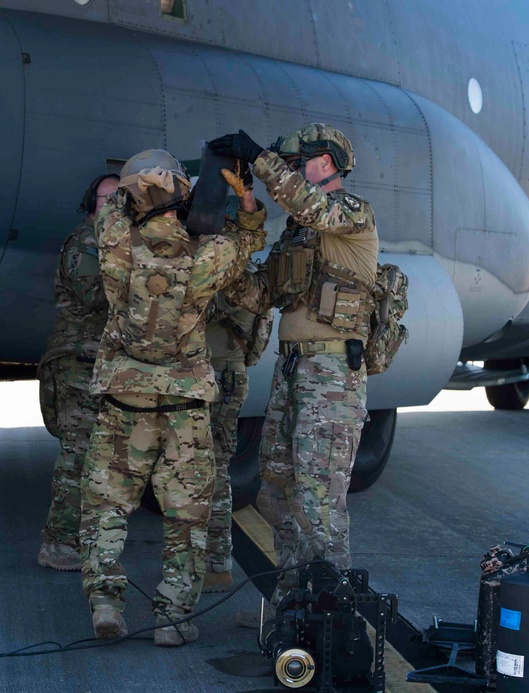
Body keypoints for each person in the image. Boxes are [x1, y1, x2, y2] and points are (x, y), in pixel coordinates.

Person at [79, 149, 266, 646]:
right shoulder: (207, 256)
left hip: (125, 398)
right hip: (184, 405)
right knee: (186, 517)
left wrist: (136, 186)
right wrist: (245, 199)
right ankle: (174, 617)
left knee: (105, 506)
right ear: (180, 199)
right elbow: (247, 241)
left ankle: (105, 602)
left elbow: (112, 209)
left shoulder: (116, 243)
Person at [209, 124, 379, 611]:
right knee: (278, 492)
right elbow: (262, 294)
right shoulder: (300, 235)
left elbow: (307, 204)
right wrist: (230, 247)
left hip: (331, 374)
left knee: (319, 501)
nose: (284, 172)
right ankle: (292, 603)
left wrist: (259, 159)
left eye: (292, 164)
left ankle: (331, 614)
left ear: (323, 163)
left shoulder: (349, 213)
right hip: (292, 371)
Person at [36, 173, 120, 571]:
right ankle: (58, 542)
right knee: (78, 455)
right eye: (106, 198)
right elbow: (96, 296)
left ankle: (89, 539)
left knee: (102, 456)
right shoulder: (85, 244)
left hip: (102, 363)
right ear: (92, 205)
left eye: (121, 198)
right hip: (78, 364)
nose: (114, 204)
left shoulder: (118, 243)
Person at [202, 286, 272, 593]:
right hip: (231, 373)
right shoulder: (252, 281)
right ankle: (215, 563)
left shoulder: (219, 277)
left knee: (203, 472)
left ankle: (212, 564)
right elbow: (258, 346)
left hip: (210, 375)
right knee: (215, 469)